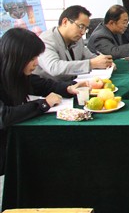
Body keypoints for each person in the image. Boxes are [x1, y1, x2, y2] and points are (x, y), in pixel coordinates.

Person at [0, 28, 87, 175]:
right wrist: (44, 104)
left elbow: (42, 85)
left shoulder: (14, 70)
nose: (36, 63)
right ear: (16, 57)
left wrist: (69, 88)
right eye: (32, 59)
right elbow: (3, 116)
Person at [34, 5, 114, 82]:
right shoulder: (46, 40)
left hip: (72, 84)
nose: (83, 32)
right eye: (81, 26)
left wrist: (105, 62)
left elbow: (89, 57)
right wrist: (91, 64)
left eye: (85, 28)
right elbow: (54, 67)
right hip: (49, 88)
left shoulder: (77, 39)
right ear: (65, 22)